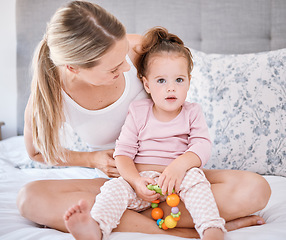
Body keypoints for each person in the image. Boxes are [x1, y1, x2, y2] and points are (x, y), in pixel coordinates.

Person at [17, 1, 271, 239]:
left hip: (180, 175)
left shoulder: (137, 50)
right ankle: (180, 231)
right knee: (30, 198)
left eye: (123, 56)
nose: (128, 68)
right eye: (114, 69)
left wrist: (181, 166)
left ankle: (127, 222)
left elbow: (176, 72)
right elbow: (37, 152)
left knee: (256, 188)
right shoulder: (48, 94)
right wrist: (91, 159)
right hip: (125, 180)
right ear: (74, 68)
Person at [64, 27, 227, 240]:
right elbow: (122, 153)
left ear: (188, 81)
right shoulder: (139, 111)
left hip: (179, 178)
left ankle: (210, 228)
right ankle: (96, 227)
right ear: (146, 84)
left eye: (179, 80)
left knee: (197, 180)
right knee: (114, 189)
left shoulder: (192, 112)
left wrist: (179, 167)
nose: (171, 88)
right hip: (144, 183)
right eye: (161, 81)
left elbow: (202, 146)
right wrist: (135, 182)